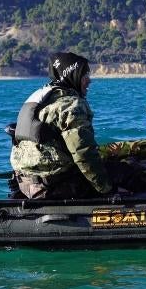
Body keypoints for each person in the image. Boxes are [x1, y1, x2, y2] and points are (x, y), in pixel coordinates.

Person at [9, 51, 113, 199]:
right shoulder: (71, 105)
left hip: (26, 184)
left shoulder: (41, 97)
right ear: (71, 75)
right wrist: (106, 189)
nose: (89, 81)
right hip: (53, 186)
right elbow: (83, 152)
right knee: (127, 172)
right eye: (85, 76)